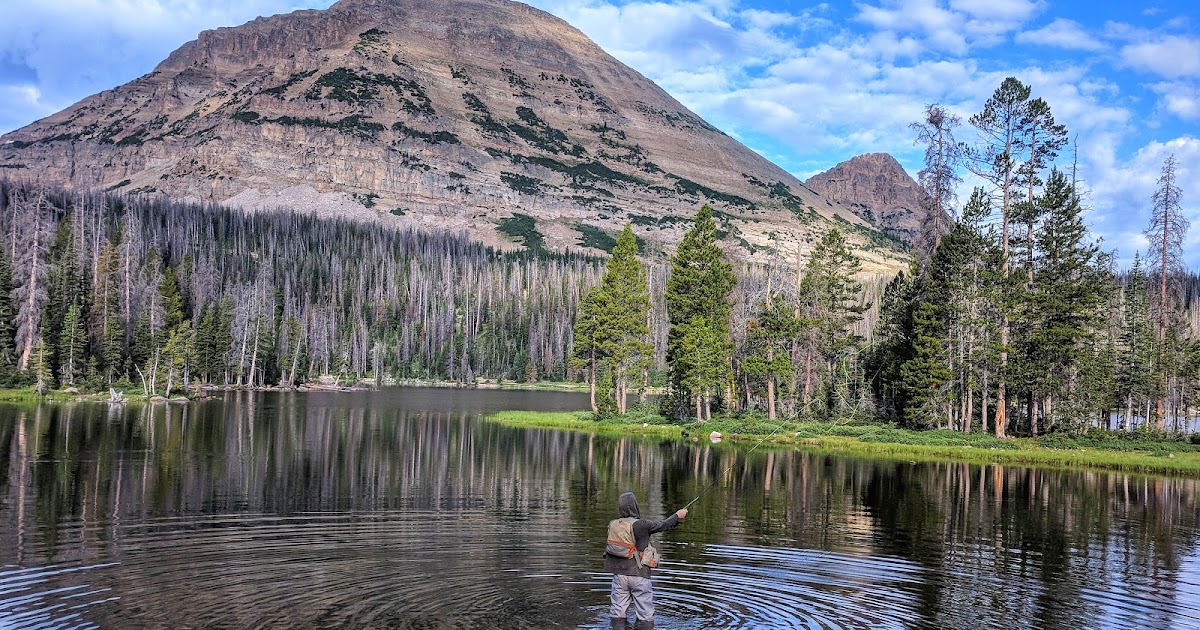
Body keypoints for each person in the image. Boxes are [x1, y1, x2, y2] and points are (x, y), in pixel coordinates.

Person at [604, 491, 688, 629]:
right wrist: (677, 516)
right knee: (645, 616)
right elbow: (663, 525)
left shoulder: (613, 524)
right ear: (634, 506)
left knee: (617, 614)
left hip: (619, 576)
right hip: (639, 575)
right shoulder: (641, 524)